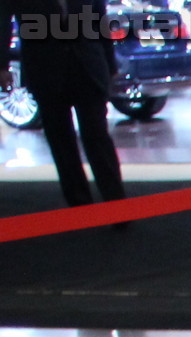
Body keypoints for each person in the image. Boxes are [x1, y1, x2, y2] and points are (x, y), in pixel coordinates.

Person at [7, 1, 124, 208]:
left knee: (97, 135)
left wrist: (109, 65)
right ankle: (80, 205)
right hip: (45, 70)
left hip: (88, 68)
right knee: (61, 141)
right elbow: (3, 20)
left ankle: (115, 202)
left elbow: (100, 20)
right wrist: (2, 64)